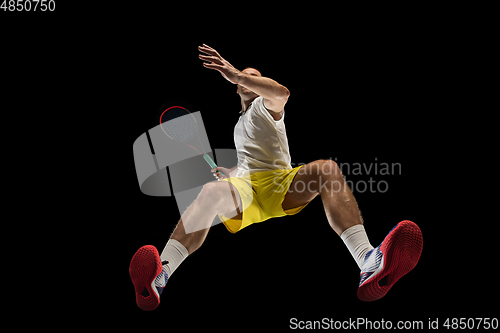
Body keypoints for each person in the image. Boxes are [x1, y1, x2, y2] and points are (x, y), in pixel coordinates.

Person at [129, 44, 423, 311]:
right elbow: (248, 162)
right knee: (210, 191)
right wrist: (229, 173)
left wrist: (235, 73)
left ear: (256, 85)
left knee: (326, 169)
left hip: (279, 185)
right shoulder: (239, 125)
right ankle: (161, 273)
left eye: (254, 76)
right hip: (246, 190)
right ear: (236, 91)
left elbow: (281, 93)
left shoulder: (265, 107)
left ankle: (367, 262)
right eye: (245, 76)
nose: (248, 78)